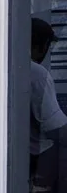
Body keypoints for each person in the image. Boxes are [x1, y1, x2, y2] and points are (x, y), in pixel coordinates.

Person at [29, 18, 67, 181]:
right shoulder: (37, 74)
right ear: (42, 46)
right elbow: (55, 128)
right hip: (39, 161)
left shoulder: (4, 66)